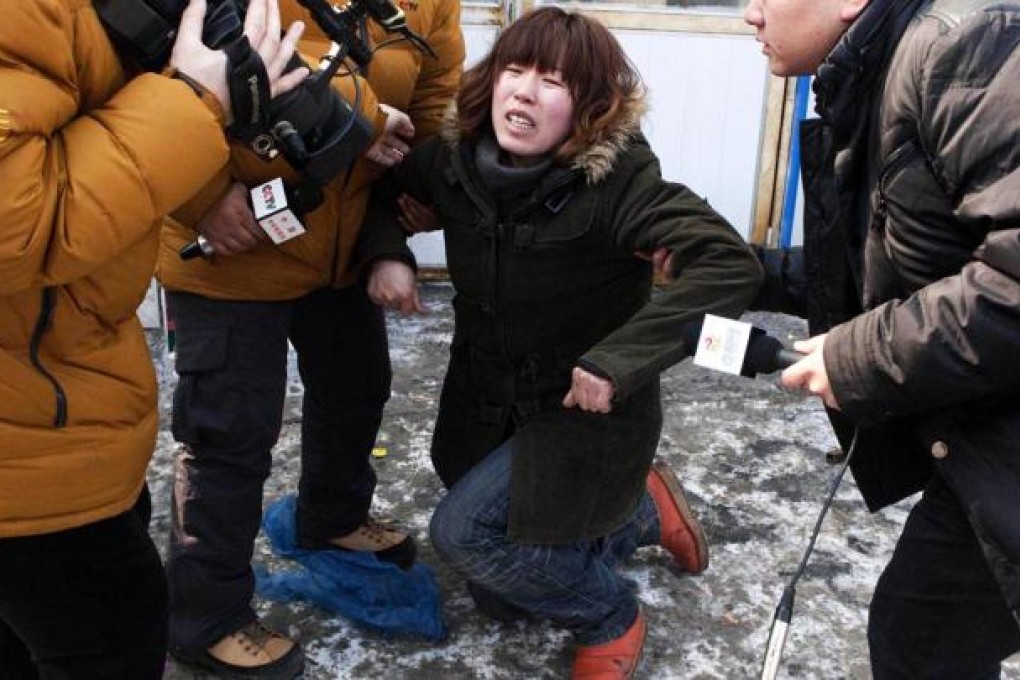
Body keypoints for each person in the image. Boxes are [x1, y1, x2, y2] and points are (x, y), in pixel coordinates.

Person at [358, 8, 764, 677]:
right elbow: (382, 194)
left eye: (552, 82)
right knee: (504, 598)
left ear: (589, 107)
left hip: (581, 412)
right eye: (514, 71)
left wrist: (617, 362)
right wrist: (387, 254)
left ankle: (610, 616)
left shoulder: (619, 181)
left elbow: (728, 264)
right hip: (484, 401)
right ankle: (641, 511)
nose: (524, 92)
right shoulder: (452, 160)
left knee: (464, 534)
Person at [155, 0, 465, 675]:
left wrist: (422, 192)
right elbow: (154, 89)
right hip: (233, 247)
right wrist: (202, 197)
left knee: (357, 390)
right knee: (229, 434)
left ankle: (332, 518)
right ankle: (204, 617)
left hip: (342, 245)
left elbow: (436, 105)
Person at [0, 0, 305, 676]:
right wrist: (195, 101)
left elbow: (89, 112)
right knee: (113, 637)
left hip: (63, 390)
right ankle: (209, 618)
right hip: (29, 433)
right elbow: (15, 225)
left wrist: (204, 174)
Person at [741, 0, 1020, 675]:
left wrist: (859, 357)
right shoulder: (879, 74)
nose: (749, 14)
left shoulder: (965, 53)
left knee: (917, 641)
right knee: (917, 635)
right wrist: (745, 273)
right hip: (987, 435)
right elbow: (892, 269)